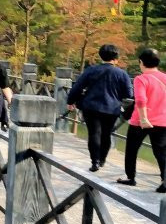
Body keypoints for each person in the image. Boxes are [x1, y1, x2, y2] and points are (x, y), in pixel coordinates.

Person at [66, 44, 132, 172]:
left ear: (100, 56)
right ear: (116, 58)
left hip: (91, 107)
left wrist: (70, 101)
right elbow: (128, 94)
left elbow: (77, 87)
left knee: (94, 134)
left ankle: (94, 162)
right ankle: (102, 160)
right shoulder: (122, 74)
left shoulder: (91, 70)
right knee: (106, 134)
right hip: (112, 109)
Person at [117, 48, 166, 191]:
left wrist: (144, 118)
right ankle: (164, 180)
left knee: (132, 149)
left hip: (140, 121)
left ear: (141, 62)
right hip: (162, 121)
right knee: (161, 152)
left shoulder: (141, 79)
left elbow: (140, 100)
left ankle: (130, 177)